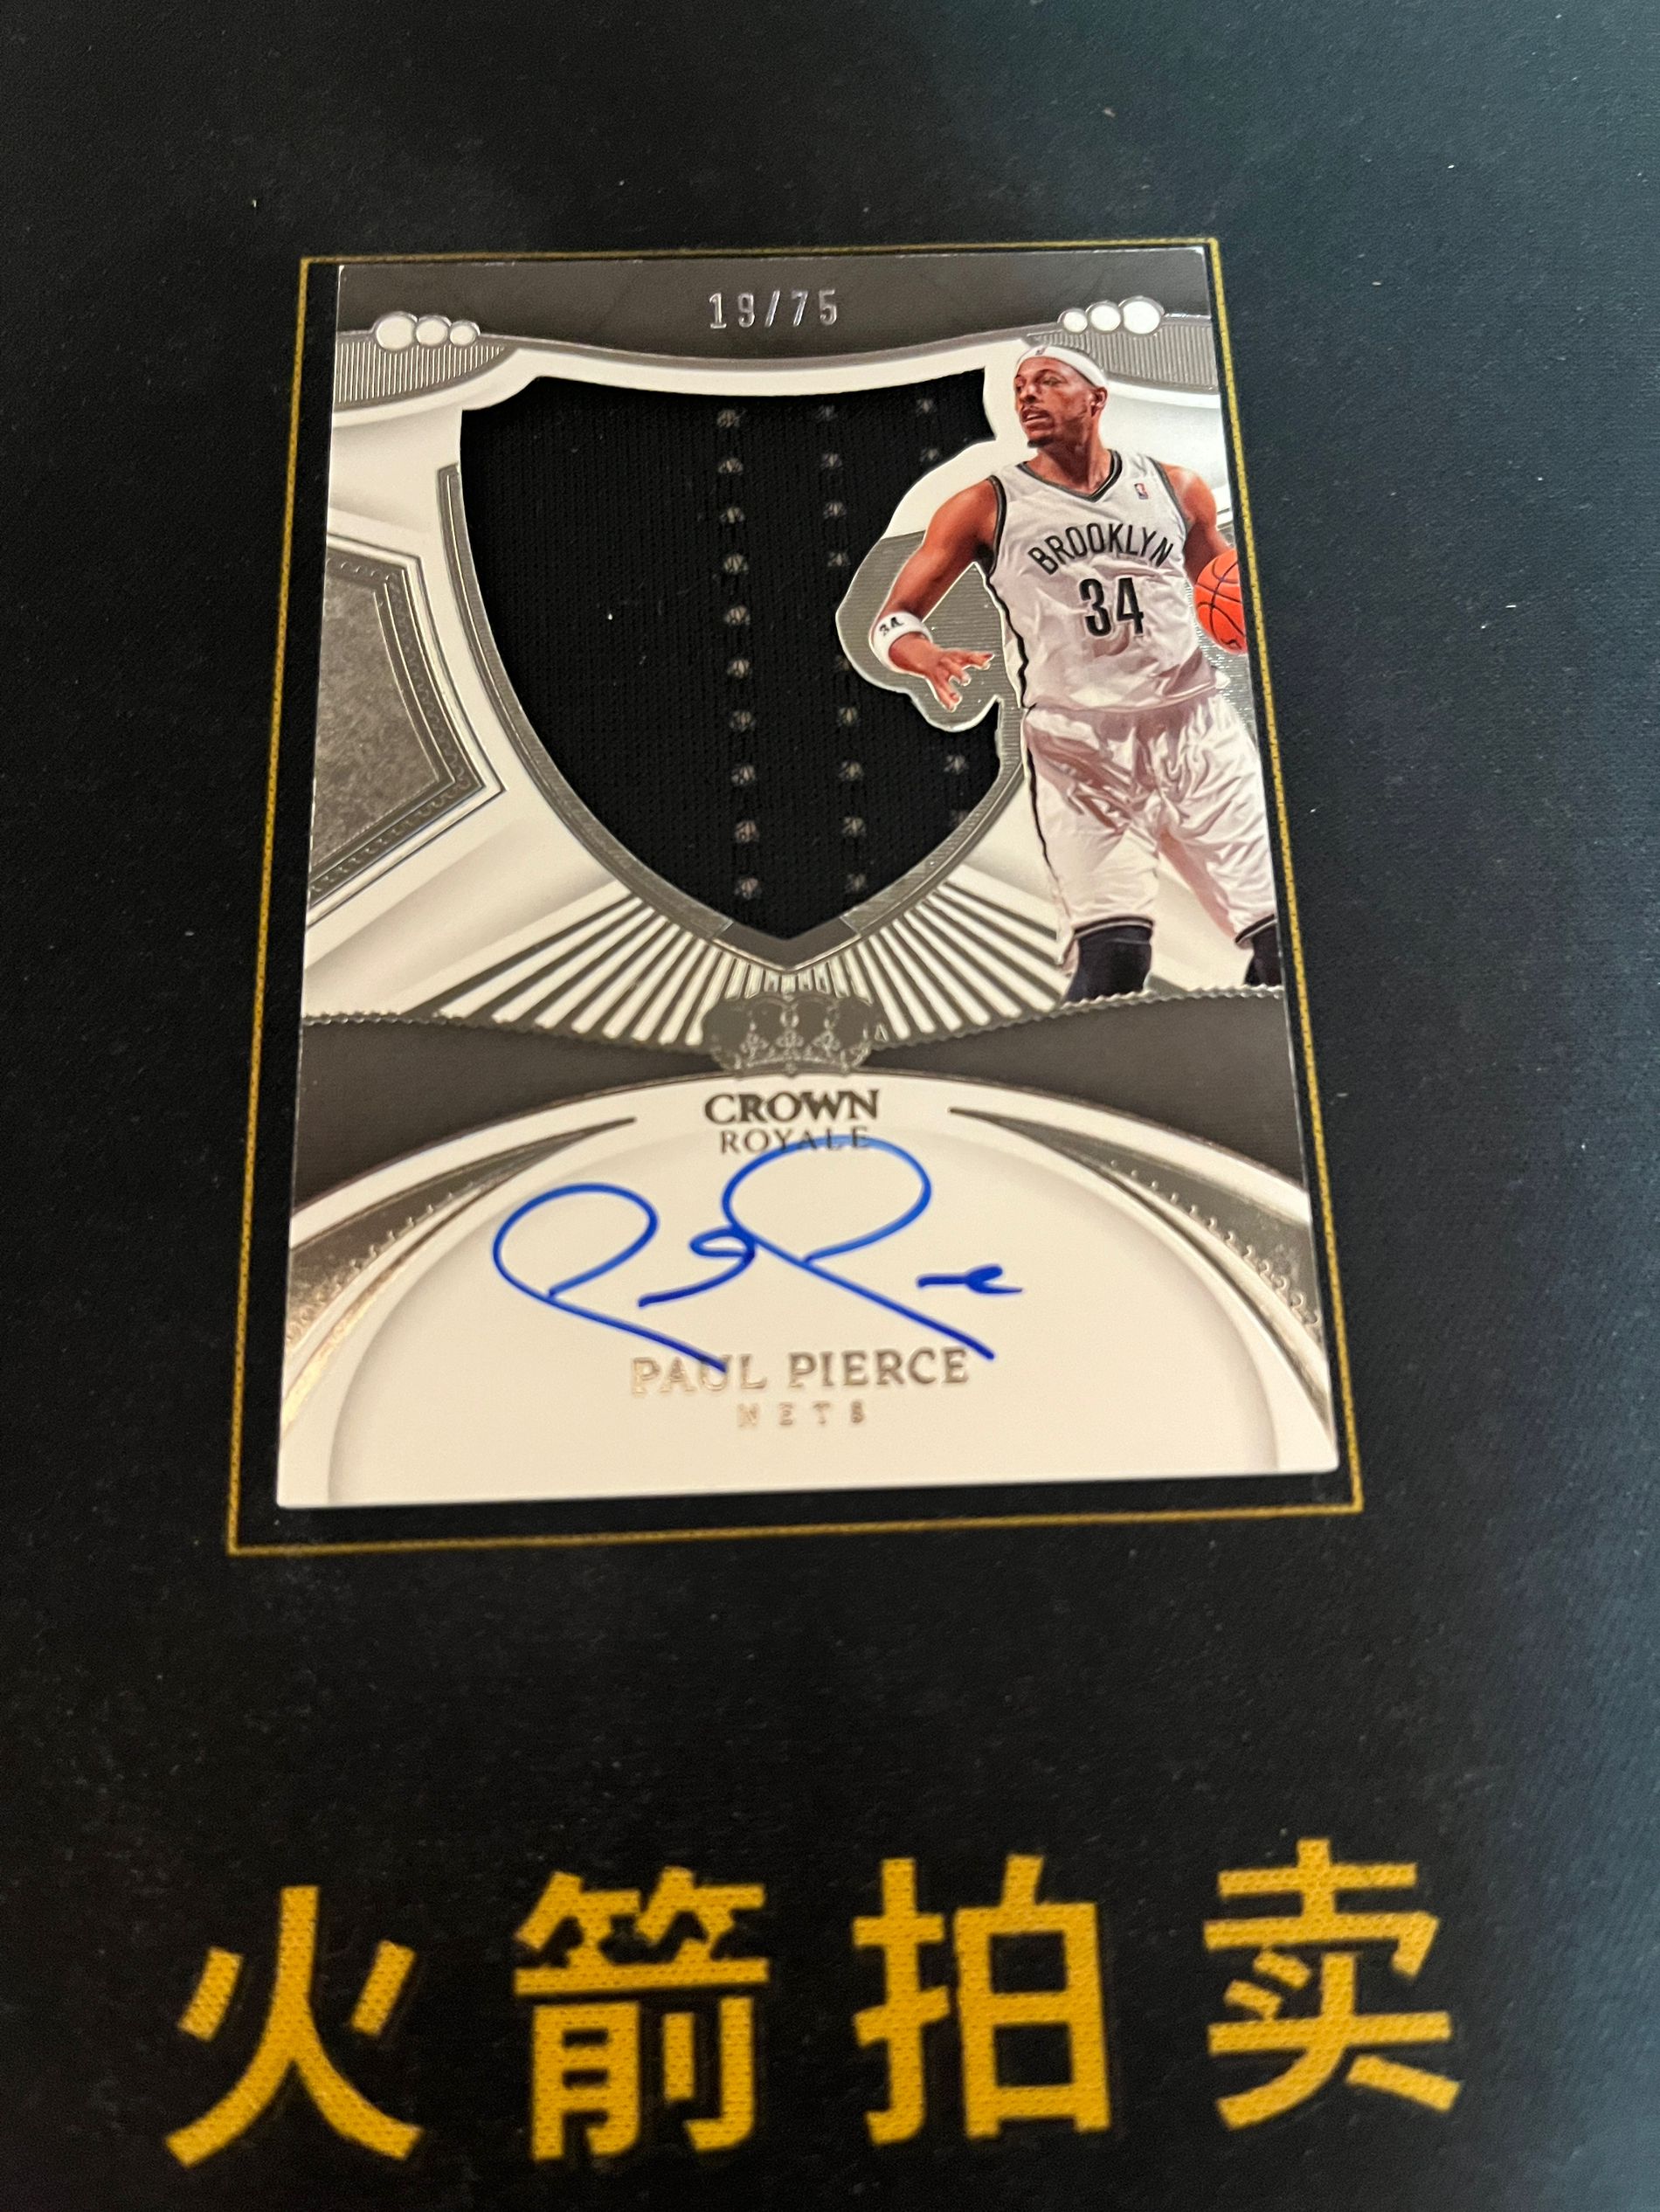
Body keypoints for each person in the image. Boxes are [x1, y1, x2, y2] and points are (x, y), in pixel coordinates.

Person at [869, 345, 1280, 999]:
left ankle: (1245, 1042)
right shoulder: (982, 505)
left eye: (1048, 381)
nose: (1027, 396)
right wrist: (923, 654)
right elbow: (891, 620)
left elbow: (1232, 599)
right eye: (1020, 386)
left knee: (1288, 939)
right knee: (1115, 962)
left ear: (1096, 398)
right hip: (1079, 745)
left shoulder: (1176, 488)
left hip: (1196, 726)